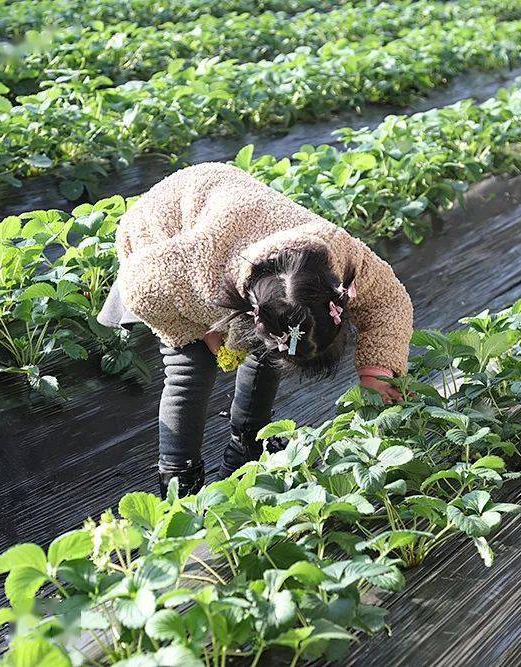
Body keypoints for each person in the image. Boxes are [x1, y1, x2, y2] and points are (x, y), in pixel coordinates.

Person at [99, 162, 413, 497]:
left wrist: (377, 369)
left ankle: (249, 443)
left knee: (267, 354)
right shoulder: (194, 266)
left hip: (240, 221)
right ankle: (180, 482)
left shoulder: (341, 255)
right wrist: (198, 330)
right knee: (191, 368)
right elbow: (138, 287)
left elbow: (390, 301)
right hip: (159, 241)